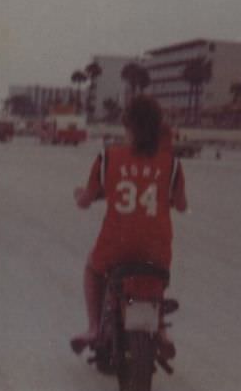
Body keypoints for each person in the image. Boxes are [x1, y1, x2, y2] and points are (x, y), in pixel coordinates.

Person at [71, 96, 187, 359]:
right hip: (156, 247)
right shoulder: (172, 164)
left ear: (128, 125)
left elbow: (86, 200)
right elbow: (180, 205)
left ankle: (92, 329)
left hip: (117, 245)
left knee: (92, 270)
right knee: (154, 280)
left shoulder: (109, 157)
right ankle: (159, 331)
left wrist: (80, 196)